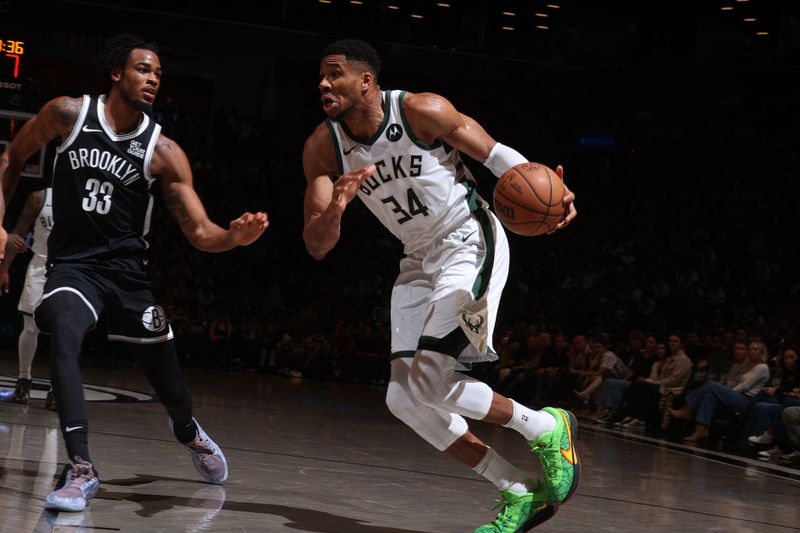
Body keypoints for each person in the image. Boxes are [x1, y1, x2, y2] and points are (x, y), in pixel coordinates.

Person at [302, 39, 578, 532]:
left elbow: (495, 156)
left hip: (468, 240)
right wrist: (337, 210)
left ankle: (544, 426)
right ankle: (518, 491)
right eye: (321, 76)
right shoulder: (323, 148)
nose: (323, 83)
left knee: (430, 379)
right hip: (417, 260)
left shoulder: (418, 110)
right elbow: (317, 244)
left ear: (365, 81)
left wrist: (553, 197)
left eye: (335, 74)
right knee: (402, 398)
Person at [0, 33, 268, 512]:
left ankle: (187, 431)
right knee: (63, 329)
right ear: (116, 73)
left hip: (127, 278)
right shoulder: (67, 114)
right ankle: (81, 468)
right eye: (144, 69)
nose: (153, 79)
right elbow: (12, 157)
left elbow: (202, 231)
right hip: (74, 267)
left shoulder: (162, 150)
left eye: (159, 74)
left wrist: (234, 237)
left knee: (172, 389)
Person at [0, 186, 57, 409]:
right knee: (30, 326)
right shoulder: (39, 198)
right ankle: (24, 379)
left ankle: (57, 387)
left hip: (70, 270)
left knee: (62, 331)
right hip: (40, 266)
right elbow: (19, 231)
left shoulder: (86, 196)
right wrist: (4, 268)